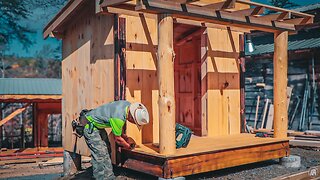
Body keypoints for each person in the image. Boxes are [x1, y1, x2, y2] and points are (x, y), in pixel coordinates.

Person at [78, 100, 149, 180]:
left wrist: (125, 137)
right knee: (100, 154)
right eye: (134, 122)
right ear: (131, 117)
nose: (133, 123)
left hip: (97, 125)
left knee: (107, 150)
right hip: (89, 126)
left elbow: (118, 131)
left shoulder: (127, 105)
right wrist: (128, 146)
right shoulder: (118, 118)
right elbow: (117, 139)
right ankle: (100, 177)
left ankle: (109, 177)